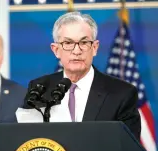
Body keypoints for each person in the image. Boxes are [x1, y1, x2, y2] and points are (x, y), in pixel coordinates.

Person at [24, 12, 141, 140]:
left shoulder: (122, 93)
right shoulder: (39, 88)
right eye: (68, 43)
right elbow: (29, 139)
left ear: (95, 48)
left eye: (84, 42)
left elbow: (127, 147)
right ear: (56, 50)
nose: (76, 51)